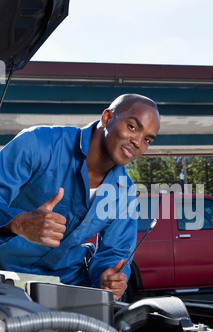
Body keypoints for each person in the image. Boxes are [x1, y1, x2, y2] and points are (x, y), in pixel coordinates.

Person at [0, 93, 160, 300]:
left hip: (66, 285)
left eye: (147, 139)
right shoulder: (38, 144)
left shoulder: (125, 193)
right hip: (5, 275)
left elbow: (114, 254)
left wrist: (108, 278)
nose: (138, 142)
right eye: (132, 127)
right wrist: (18, 222)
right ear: (107, 118)